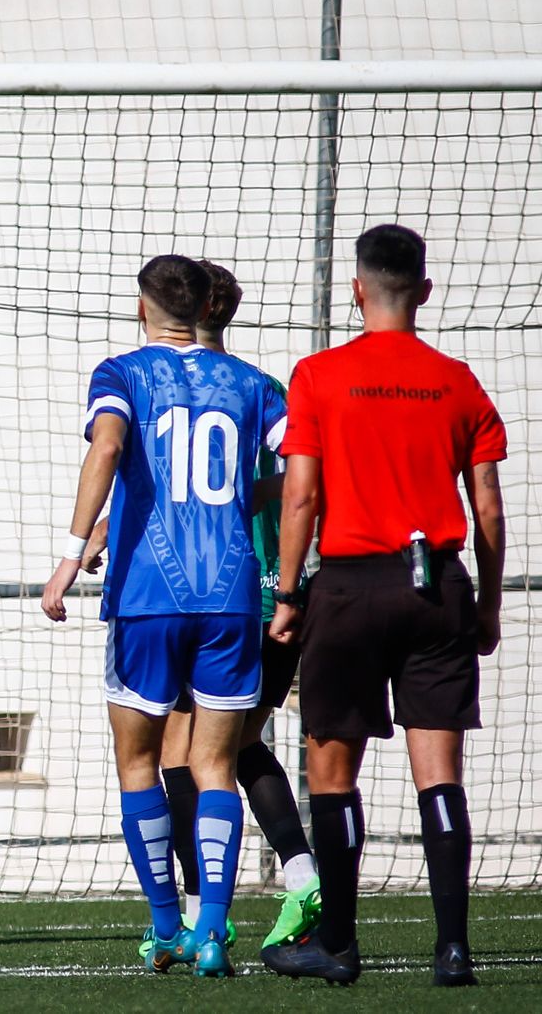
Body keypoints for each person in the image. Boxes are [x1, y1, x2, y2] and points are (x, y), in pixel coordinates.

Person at [263, 224, 506, 987]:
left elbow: (300, 496)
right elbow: (488, 508)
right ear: (424, 291)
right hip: (437, 586)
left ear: (357, 290)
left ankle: (337, 945)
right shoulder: (459, 382)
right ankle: (453, 949)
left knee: (332, 771)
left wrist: (287, 593)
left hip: (349, 588)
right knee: (440, 775)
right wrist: (488, 606)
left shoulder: (319, 375)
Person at [42, 255, 287, 978]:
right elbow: (310, 459)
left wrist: (70, 553)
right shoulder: (250, 383)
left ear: (141, 307)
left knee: (138, 762)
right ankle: (212, 931)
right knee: (216, 765)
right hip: (231, 593)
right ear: (207, 308)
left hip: (148, 594)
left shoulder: (120, 373)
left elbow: (109, 445)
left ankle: (164, 926)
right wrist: (250, 500)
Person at [92, 261, 321, 954]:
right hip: (259, 592)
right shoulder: (261, 385)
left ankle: (192, 912)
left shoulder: (149, 382)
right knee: (234, 747)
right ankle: (295, 875)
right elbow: (304, 474)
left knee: (180, 751)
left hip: (190, 590)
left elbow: (154, 477)